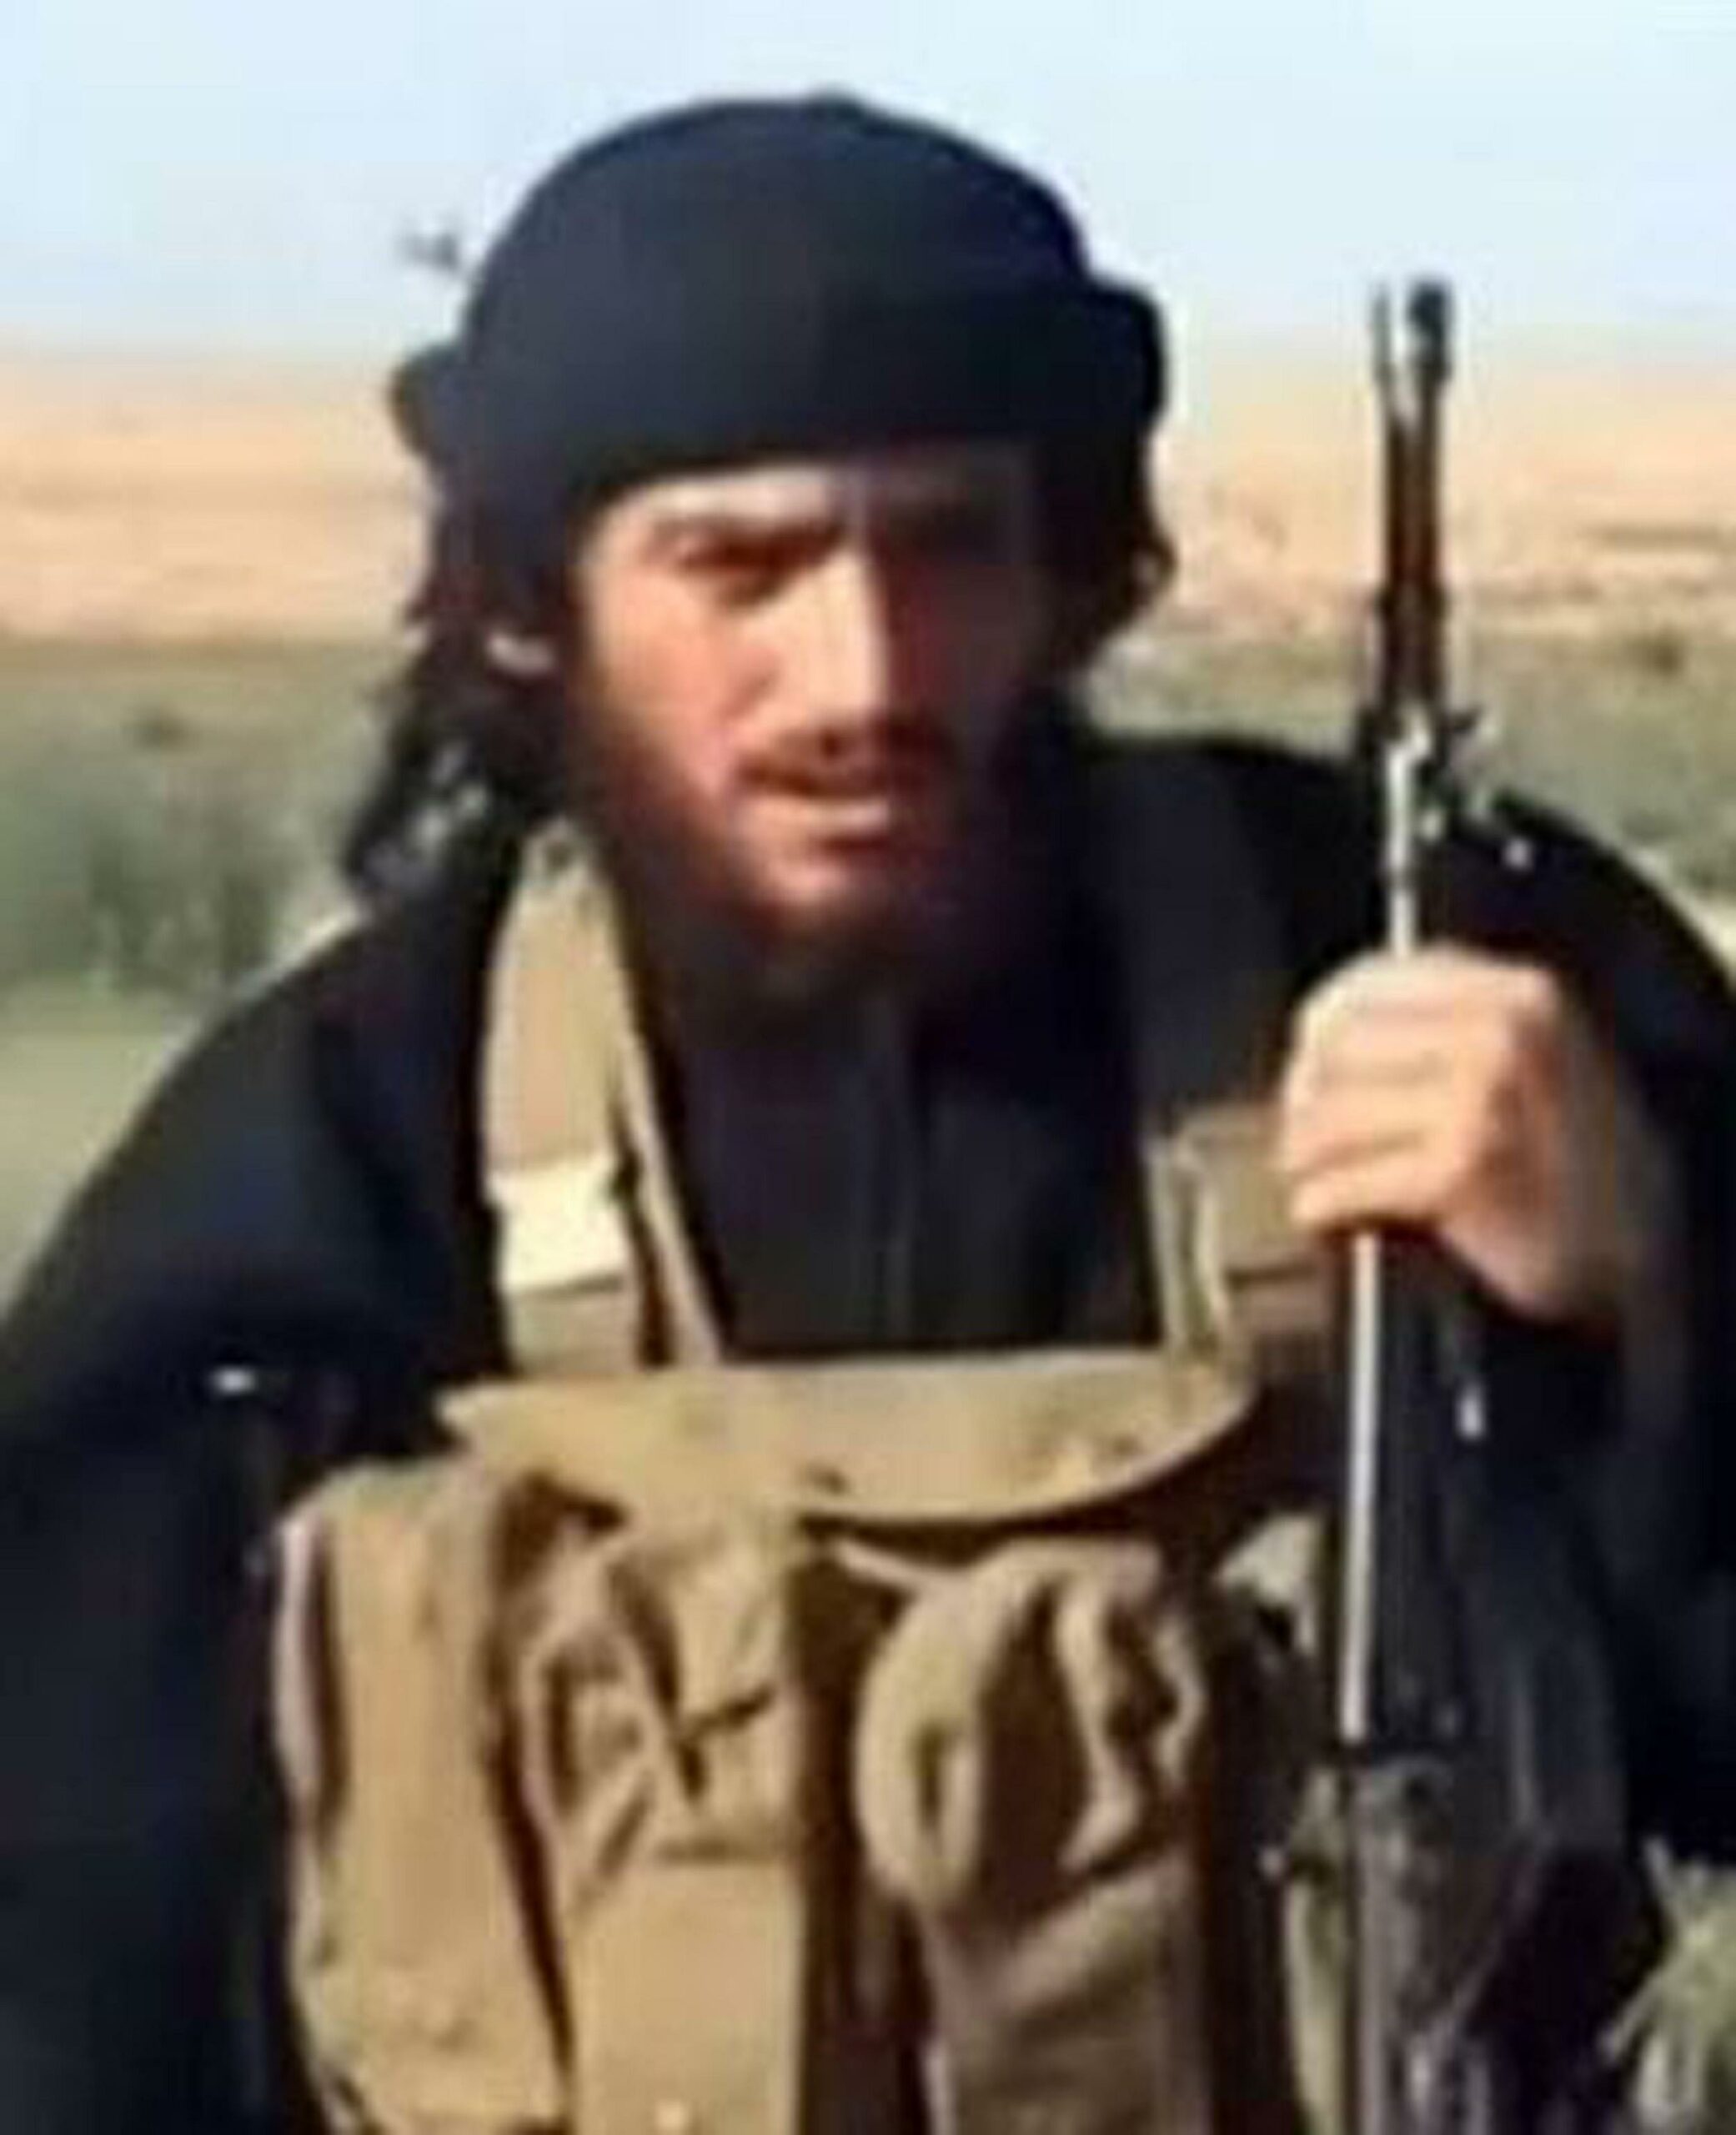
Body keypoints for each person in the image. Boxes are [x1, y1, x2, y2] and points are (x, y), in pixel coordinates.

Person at [3, 93, 1734, 2134]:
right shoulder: (360, 1127)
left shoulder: (1433, 971)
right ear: (532, 606)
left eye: (947, 546)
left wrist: (1656, 1296)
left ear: (1073, 570)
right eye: (737, 566)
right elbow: (74, 1965)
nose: (865, 673)